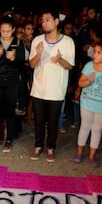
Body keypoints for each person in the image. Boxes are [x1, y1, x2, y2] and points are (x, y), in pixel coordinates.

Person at [28, 9, 75, 162]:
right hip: (39, 89)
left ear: (56, 21)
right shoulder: (37, 40)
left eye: (47, 19)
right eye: (42, 20)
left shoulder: (68, 42)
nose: (44, 23)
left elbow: (70, 66)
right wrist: (38, 54)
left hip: (56, 90)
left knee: (53, 121)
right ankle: (38, 146)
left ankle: (51, 147)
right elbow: (32, 64)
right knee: (39, 120)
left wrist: (60, 60)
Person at [72, 40, 102, 167]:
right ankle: (79, 153)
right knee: (85, 126)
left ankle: (92, 156)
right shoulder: (89, 65)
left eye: (99, 53)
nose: (95, 55)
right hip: (87, 102)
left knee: (97, 129)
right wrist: (88, 81)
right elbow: (80, 83)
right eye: (95, 52)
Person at [0, 15, 27, 153]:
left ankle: (9, 139)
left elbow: (23, 65)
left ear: (13, 30)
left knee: (10, 110)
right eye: (2, 31)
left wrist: (14, 59)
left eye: (8, 31)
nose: (5, 34)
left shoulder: (19, 43)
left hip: (12, 80)